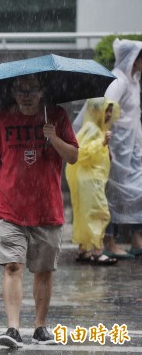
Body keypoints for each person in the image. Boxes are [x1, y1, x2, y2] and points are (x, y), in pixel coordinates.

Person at [0, 74, 78, 349]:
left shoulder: (56, 115)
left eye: (31, 89)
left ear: (42, 91)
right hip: (10, 208)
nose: (25, 95)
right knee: (12, 265)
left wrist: (54, 137)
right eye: (20, 90)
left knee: (44, 270)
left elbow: (73, 156)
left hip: (47, 208)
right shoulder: (0, 119)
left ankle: (40, 328)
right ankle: (13, 328)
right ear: (11, 91)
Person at [101, 39, 142, 258]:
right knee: (113, 195)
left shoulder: (133, 80)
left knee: (136, 192)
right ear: (134, 59)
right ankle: (109, 241)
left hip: (132, 149)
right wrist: (104, 142)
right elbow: (105, 110)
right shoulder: (118, 80)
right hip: (116, 147)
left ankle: (137, 239)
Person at [66, 98, 119, 265]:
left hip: (88, 180)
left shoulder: (95, 129)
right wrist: (102, 142)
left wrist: (105, 149)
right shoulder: (92, 130)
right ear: (96, 111)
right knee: (99, 213)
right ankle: (97, 251)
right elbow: (81, 153)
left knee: (85, 216)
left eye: (110, 110)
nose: (109, 114)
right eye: (106, 110)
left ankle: (82, 250)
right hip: (90, 180)